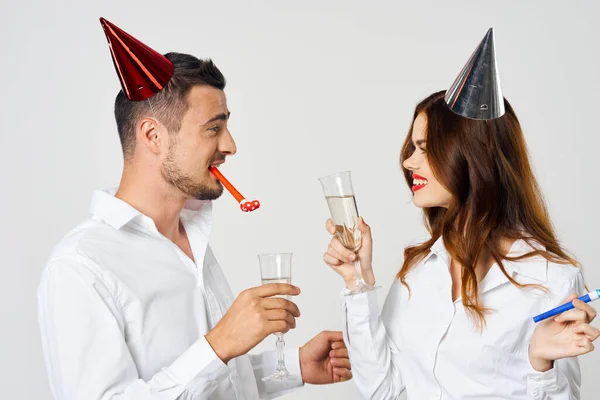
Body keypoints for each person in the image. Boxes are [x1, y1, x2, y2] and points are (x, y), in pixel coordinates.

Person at [38, 18, 351, 400]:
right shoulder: (80, 267)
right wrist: (218, 344)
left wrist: (290, 368)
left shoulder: (192, 237)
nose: (230, 145)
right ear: (153, 136)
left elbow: (207, 383)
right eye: (213, 128)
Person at [323, 29, 598, 399]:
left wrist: (539, 364)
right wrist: (359, 282)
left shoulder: (551, 278)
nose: (408, 161)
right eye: (411, 147)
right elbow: (384, 390)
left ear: (470, 155)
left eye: (424, 148)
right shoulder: (419, 271)